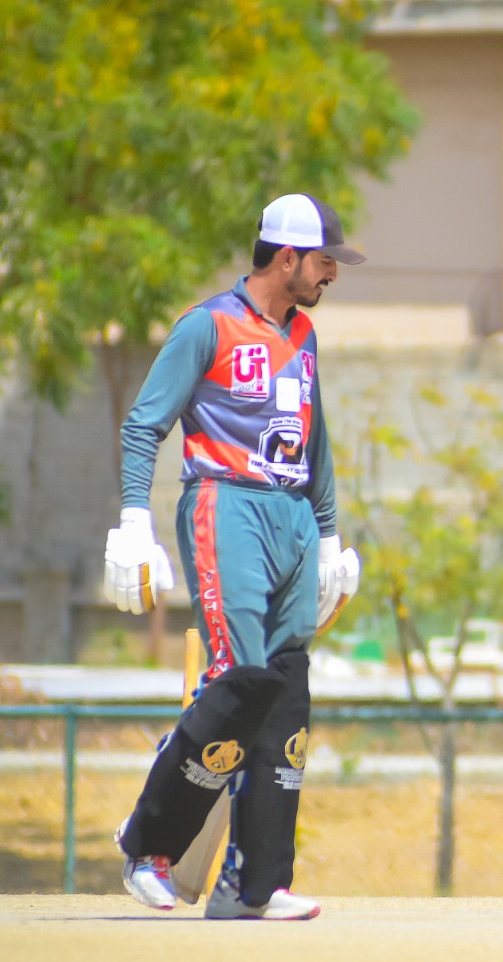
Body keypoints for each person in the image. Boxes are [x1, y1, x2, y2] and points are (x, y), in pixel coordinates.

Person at [104, 193, 363, 920]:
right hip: (228, 506)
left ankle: (253, 885)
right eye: (324, 262)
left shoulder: (304, 333)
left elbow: (315, 437)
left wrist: (329, 534)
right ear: (287, 258)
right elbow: (143, 425)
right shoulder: (207, 326)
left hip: (292, 516)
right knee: (238, 680)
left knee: (284, 687)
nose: (331, 275)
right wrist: (133, 521)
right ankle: (149, 845)